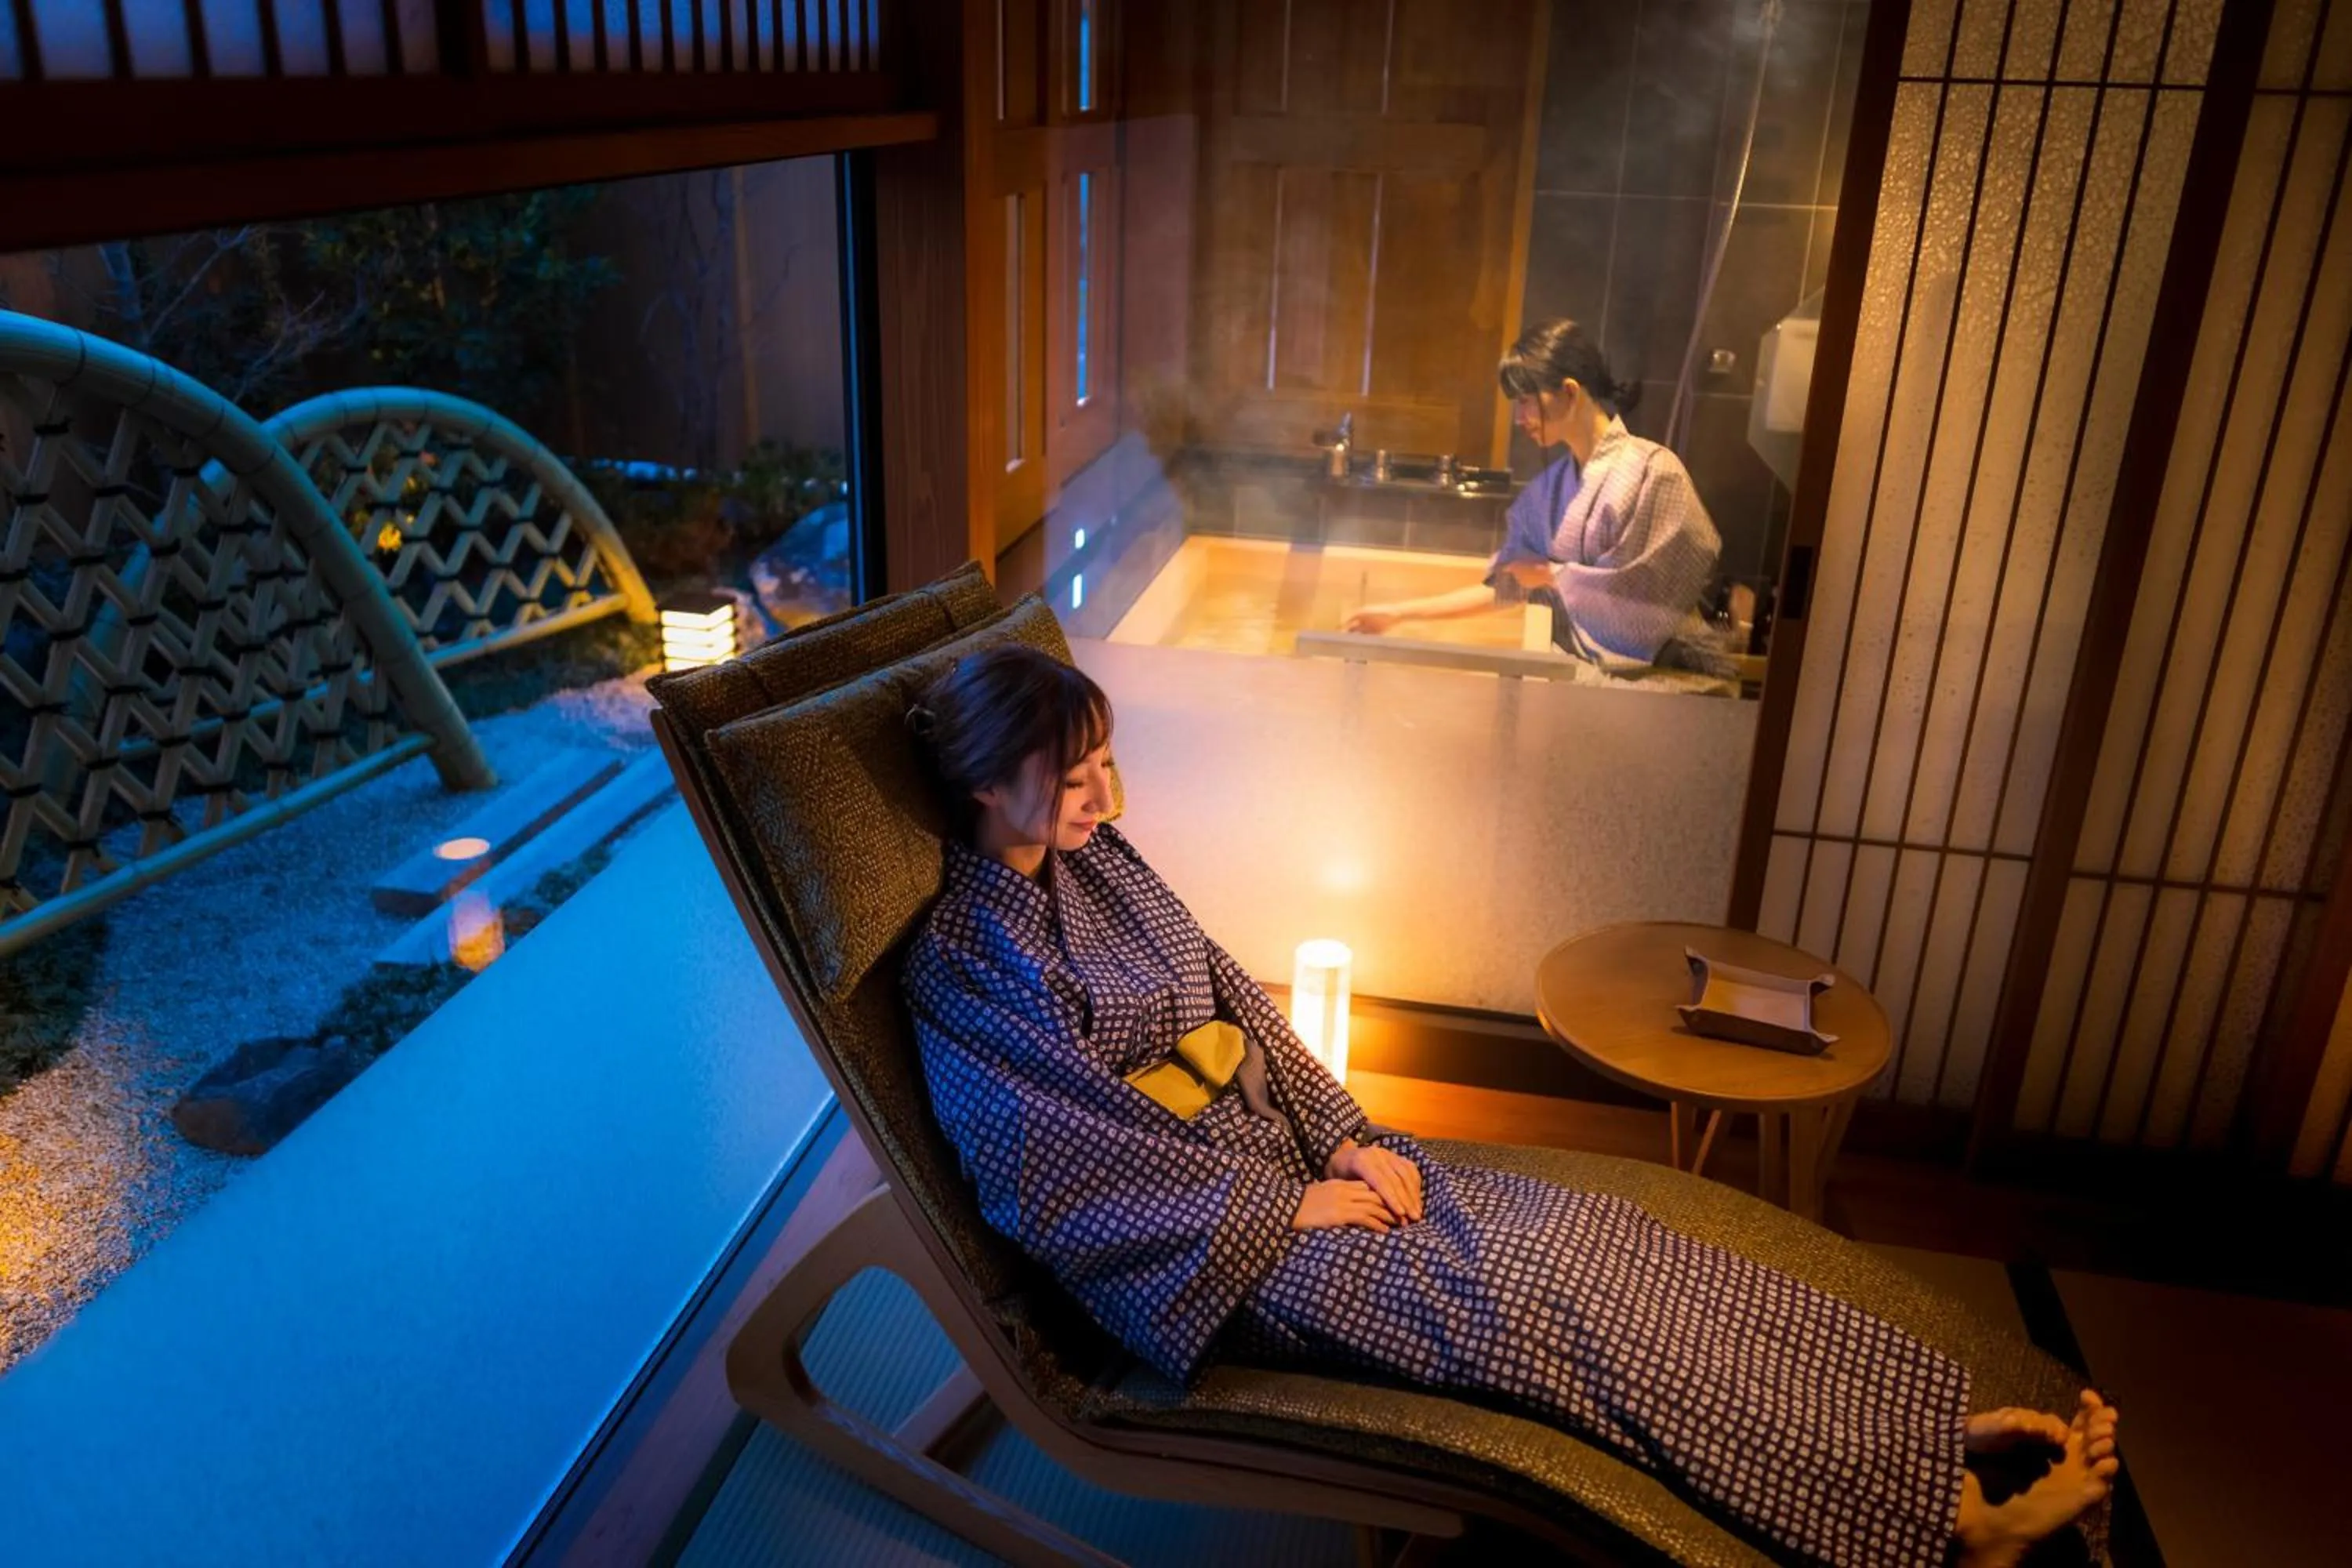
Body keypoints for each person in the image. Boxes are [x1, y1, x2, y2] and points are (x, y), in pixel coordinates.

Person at [899, 644, 2122, 1568]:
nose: (1106, 794)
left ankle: (1919, 1427)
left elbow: (1242, 1003)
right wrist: (1292, 1213)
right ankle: (1945, 1524)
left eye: (1109, 761)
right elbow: (1060, 1178)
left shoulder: (1099, 863)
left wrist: (1352, 1136)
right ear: (985, 782)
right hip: (1214, 1262)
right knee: (1556, 1318)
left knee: (1607, 1245)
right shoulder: (964, 961)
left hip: (1299, 1174)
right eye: (1074, 771)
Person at [1345, 320, 1726, 676]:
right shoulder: (1550, 488)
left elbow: (1650, 604)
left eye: (1527, 401)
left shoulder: (1655, 472)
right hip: (1585, 674)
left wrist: (1553, 576)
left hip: (1668, 679)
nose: (1519, 417)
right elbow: (1510, 585)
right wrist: (1397, 614)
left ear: (1570, 392)